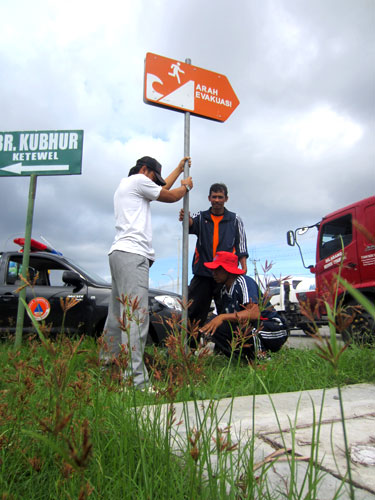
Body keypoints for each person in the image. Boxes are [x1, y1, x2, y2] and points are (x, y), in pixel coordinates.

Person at [101, 156, 193, 389]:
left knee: (117, 316)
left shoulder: (128, 185)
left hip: (119, 254)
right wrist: (187, 185)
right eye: (154, 175)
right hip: (132, 255)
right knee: (136, 318)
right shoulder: (138, 180)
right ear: (144, 169)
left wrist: (178, 169)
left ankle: (108, 366)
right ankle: (136, 382)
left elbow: (162, 188)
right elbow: (170, 196)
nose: (155, 182)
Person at [179, 183, 248, 327]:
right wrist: (186, 218)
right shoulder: (201, 216)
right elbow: (190, 225)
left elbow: (241, 245)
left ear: (226, 199)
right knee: (194, 312)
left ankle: (225, 347)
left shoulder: (235, 219)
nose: (217, 200)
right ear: (209, 198)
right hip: (202, 273)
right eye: (214, 197)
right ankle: (191, 347)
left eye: (220, 197)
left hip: (226, 275)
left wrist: (243, 268)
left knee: (227, 311)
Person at [199, 251, 288, 359]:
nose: (214, 273)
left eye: (217, 269)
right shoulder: (224, 291)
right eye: (213, 269)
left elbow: (254, 313)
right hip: (251, 329)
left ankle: (262, 359)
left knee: (248, 328)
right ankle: (241, 359)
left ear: (228, 270)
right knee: (215, 325)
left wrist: (222, 317)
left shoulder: (243, 282)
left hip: (273, 329)